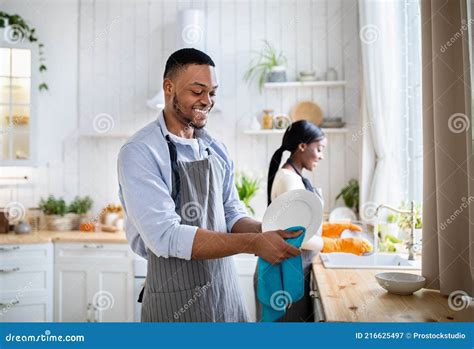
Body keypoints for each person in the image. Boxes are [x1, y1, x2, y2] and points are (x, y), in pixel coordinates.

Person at [117, 48, 303, 322]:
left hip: (224, 294)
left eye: (212, 92)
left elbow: (230, 211)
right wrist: (255, 243)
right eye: (197, 91)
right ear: (169, 88)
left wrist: (268, 230)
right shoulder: (140, 151)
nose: (207, 101)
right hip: (174, 301)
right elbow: (166, 235)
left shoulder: (215, 148)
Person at [254, 120, 372, 322]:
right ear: (302, 146)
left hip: (290, 271)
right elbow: (297, 235)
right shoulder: (290, 180)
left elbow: (299, 225)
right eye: (319, 149)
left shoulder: (293, 176)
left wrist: (331, 228)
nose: (321, 155)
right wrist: (338, 244)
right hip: (283, 277)